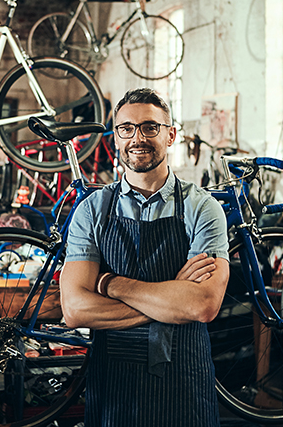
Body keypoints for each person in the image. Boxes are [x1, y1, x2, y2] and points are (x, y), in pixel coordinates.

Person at [60, 88, 230, 427]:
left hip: (184, 383)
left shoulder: (202, 209)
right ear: (115, 139)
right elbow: (75, 309)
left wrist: (111, 283)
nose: (138, 138)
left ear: (171, 135)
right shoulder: (92, 210)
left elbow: (202, 306)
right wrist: (171, 299)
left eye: (150, 127)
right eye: (126, 129)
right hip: (114, 389)